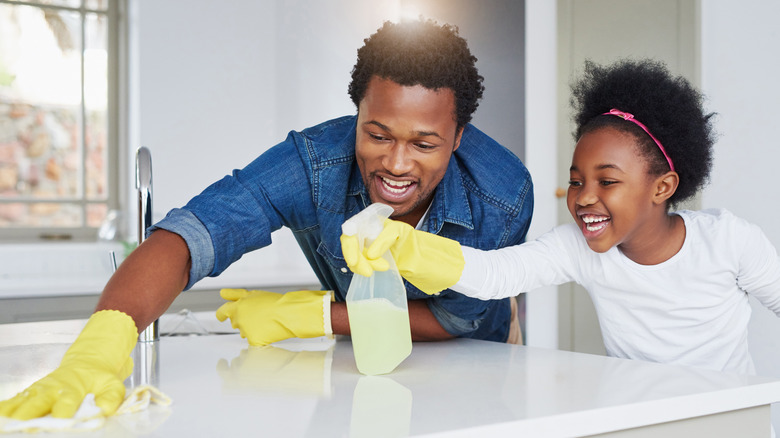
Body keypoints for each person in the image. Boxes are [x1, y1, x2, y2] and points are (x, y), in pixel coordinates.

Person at [0, 18, 533, 420]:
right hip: (364, 370)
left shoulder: (503, 196)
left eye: (424, 143)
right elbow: (194, 235)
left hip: (473, 362)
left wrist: (315, 317)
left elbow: (457, 320)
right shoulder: (313, 164)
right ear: (357, 117)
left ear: (458, 138)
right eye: (377, 135)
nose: (396, 163)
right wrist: (102, 341)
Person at [345, 58, 780, 375]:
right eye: (576, 181)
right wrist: (409, 246)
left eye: (606, 182)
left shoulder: (729, 241)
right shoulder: (578, 247)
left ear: (661, 187)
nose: (584, 198)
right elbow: (496, 275)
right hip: (642, 418)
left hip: (732, 417)